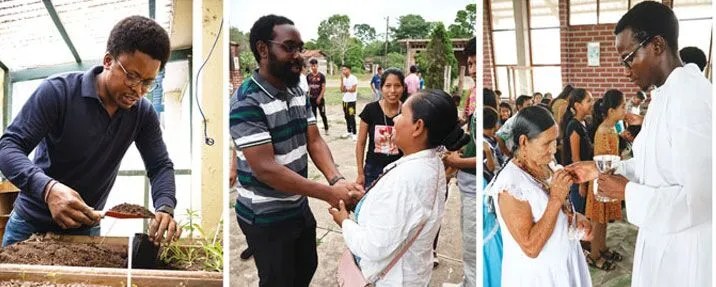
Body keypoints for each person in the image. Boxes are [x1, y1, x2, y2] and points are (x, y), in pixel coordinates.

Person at [0, 16, 180, 247]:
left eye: (147, 82)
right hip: (30, 224)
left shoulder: (142, 113)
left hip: (85, 230)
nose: (138, 90)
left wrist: (165, 206)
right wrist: (48, 189)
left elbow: (160, 165)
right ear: (108, 61)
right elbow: (8, 147)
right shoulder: (58, 92)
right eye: (132, 76)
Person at [567, 3, 712, 286]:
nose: (625, 71)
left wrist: (625, 191)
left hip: (684, 251)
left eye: (629, 58)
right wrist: (599, 168)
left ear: (657, 45)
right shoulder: (664, 93)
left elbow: (701, 199)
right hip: (662, 236)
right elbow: (655, 165)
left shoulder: (692, 98)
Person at [230, 15, 364, 286]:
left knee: (306, 268)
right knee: (278, 280)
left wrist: (336, 180)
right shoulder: (247, 101)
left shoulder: (297, 90)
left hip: (297, 204)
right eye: (289, 47)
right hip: (265, 215)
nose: (298, 55)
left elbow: (314, 140)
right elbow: (266, 169)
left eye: (300, 48)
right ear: (263, 49)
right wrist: (329, 194)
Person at [329, 89, 470, 286]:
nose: (395, 119)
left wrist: (344, 222)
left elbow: (374, 246)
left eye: (402, 114)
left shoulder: (407, 179)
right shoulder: (430, 163)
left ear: (418, 127)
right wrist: (367, 201)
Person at [487, 106, 592, 287]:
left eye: (555, 141)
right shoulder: (510, 185)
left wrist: (574, 218)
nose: (553, 149)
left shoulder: (547, 165)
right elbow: (531, 247)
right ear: (524, 142)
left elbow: (554, 209)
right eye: (546, 143)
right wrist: (556, 199)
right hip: (540, 276)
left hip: (566, 263)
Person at [443, 38, 478, 286]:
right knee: (468, 240)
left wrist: (456, 161)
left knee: (474, 246)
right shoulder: (473, 94)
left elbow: (485, 156)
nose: (473, 69)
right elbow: (473, 140)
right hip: (467, 183)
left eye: (477, 63)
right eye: (471, 63)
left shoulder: (482, 97)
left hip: (476, 184)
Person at [584, 90, 626, 271]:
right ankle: (594, 255)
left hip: (608, 181)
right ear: (611, 111)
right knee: (597, 220)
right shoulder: (603, 132)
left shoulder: (610, 129)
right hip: (601, 182)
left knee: (604, 218)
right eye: (623, 107)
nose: (625, 110)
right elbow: (603, 162)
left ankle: (602, 248)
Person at [356, 68, 405, 188]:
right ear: (381, 88)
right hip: (373, 169)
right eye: (388, 86)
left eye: (397, 85)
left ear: (403, 87)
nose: (392, 91)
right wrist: (360, 173)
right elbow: (361, 143)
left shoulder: (408, 111)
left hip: (399, 168)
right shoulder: (370, 110)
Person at [560, 88, 594, 215]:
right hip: (577, 179)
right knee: (579, 214)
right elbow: (576, 158)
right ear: (578, 106)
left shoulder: (584, 123)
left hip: (584, 175)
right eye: (588, 101)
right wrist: (582, 184)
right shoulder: (574, 126)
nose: (592, 103)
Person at [481, 107, 503, 287]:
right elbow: (487, 168)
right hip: (489, 187)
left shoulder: (491, 140)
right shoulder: (485, 144)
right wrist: (488, 154)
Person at [307, 58, 329, 133]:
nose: (313, 67)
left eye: (314, 66)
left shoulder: (321, 76)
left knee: (323, 114)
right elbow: (307, 88)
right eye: (312, 66)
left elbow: (323, 88)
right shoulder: (308, 76)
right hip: (312, 99)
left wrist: (319, 97)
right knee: (313, 115)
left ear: (317, 65)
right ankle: (315, 131)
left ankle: (326, 129)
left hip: (320, 99)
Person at [341, 64, 359, 141]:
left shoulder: (353, 78)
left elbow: (353, 89)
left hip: (351, 101)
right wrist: (341, 81)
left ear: (349, 70)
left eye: (345, 69)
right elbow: (341, 90)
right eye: (342, 70)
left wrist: (346, 90)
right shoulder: (344, 79)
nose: (343, 71)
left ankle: (354, 133)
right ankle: (349, 131)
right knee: (346, 116)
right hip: (345, 101)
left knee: (351, 117)